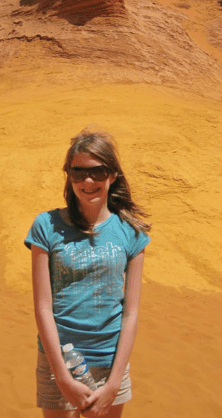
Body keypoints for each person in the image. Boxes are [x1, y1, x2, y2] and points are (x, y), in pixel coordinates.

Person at [25, 128, 151, 418]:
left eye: (97, 171)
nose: (88, 180)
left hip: (111, 361)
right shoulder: (46, 226)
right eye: (78, 172)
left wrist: (115, 381)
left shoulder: (131, 233)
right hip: (58, 358)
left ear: (112, 175)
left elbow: (131, 313)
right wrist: (62, 377)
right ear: (68, 175)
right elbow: (43, 307)